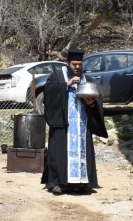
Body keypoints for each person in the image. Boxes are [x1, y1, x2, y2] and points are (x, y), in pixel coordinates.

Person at [41, 49, 109, 194]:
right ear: (67, 64)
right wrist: (66, 85)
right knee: (59, 154)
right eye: (74, 64)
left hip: (82, 126)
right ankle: (57, 183)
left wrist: (91, 103)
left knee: (82, 153)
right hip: (63, 124)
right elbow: (49, 92)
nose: (77, 67)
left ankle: (82, 183)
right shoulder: (57, 76)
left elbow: (98, 98)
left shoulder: (87, 79)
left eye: (79, 64)